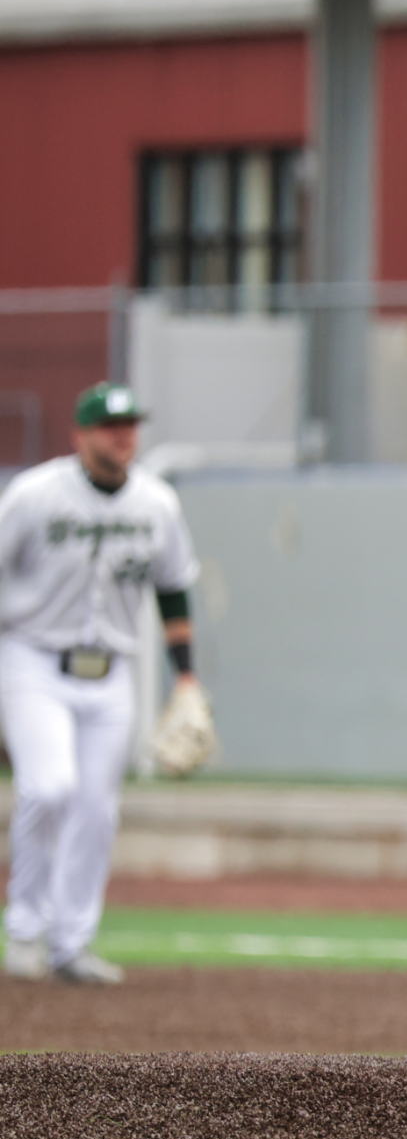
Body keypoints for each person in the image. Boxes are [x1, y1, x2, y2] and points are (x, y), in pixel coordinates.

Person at [1, 383, 203, 985]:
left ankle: (71, 942)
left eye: (131, 425)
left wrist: (186, 677)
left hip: (111, 670)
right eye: (110, 426)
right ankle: (25, 931)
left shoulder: (156, 503)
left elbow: (173, 587)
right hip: (33, 657)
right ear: (80, 436)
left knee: (96, 809)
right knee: (50, 787)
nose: (124, 435)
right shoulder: (35, 495)